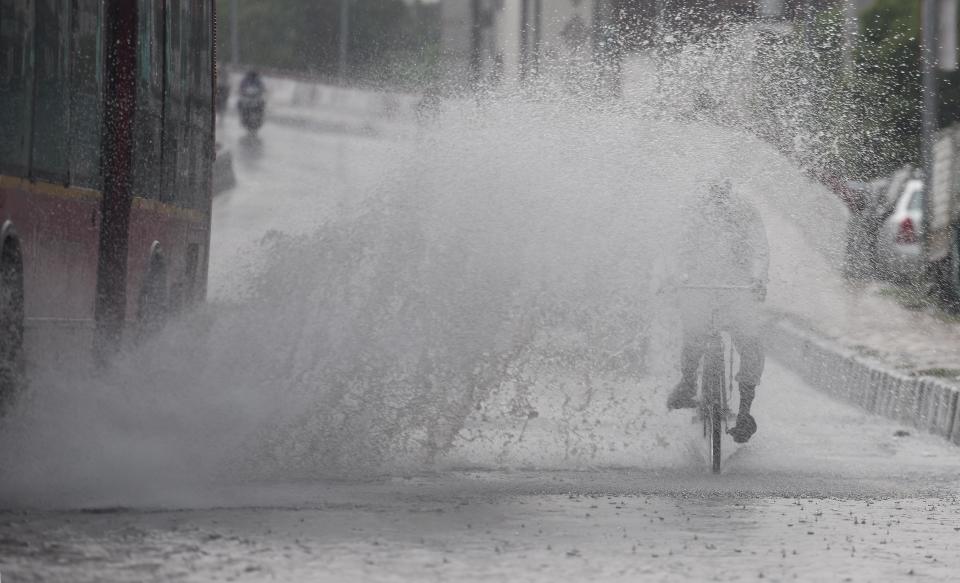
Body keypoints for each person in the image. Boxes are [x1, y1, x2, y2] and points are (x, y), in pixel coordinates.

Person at [666, 180, 769, 443]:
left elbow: (759, 247)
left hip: (737, 286)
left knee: (750, 340)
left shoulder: (745, 209)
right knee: (694, 332)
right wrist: (679, 276)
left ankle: (745, 412)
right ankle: (688, 382)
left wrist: (757, 279)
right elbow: (677, 247)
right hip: (700, 284)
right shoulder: (694, 209)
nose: (718, 195)